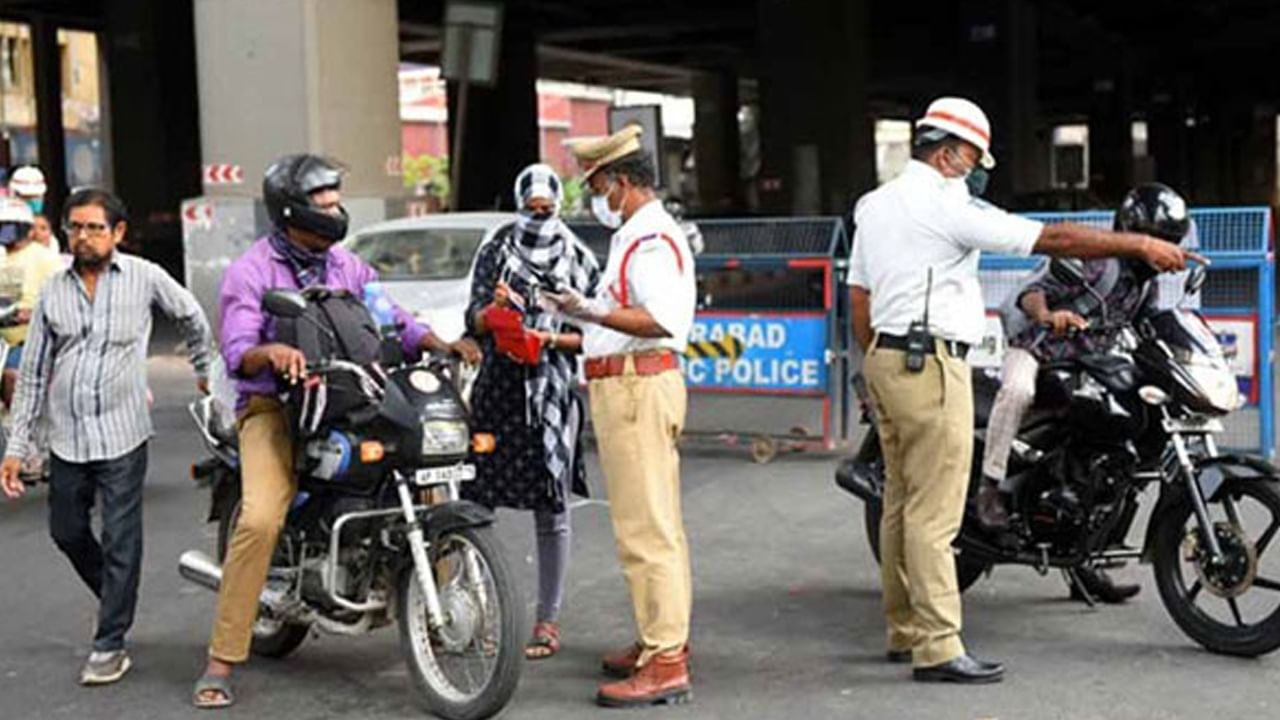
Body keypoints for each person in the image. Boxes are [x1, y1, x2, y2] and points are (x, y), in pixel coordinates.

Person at [848, 97, 1197, 684]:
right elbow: (1051, 240)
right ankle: (937, 647)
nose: (977, 168)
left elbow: (859, 295)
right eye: (975, 157)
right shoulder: (944, 202)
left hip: (887, 355)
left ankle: (904, 628)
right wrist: (1136, 244)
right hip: (931, 364)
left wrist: (877, 361)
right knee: (935, 515)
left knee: (903, 506)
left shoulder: (875, 205)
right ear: (950, 150)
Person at [193, 154, 480, 709]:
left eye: (335, 202)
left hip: (349, 400)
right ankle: (222, 658)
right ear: (290, 210)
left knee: (426, 478)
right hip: (274, 410)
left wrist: (438, 343)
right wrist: (270, 352)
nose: (335, 211)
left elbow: (391, 316)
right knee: (259, 517)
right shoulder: (252, 271)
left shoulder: (347, 268)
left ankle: (432, 604)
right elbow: (235, 351)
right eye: (322, 204)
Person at [0, 187, 213, 686]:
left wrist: (206, 369)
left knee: (121, 536)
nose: (84, 236)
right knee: (66, 531)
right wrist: (17, 449)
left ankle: (110, 641)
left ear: (117, 233)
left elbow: (192, 317)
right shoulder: (54, 289)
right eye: (76, 227)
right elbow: (31, 375)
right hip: (67, 436)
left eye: (96, 227)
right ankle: (117, 598)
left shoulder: (145, 277)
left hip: (123, 433)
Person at [976, 182, 1192, 602]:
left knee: (1119, 444)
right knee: (1016, 390)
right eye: (1162, 240)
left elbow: (1152, 329)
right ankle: (990, 486)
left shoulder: (1142, 282)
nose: (1166, 250)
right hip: (1040, 351)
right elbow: (1030, 294)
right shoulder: (1097, 263)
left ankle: (1085, 556)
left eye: (1172, 242)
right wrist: (1049, 315)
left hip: (1088, 364)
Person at [542, 125, 696, 708]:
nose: (594, 201)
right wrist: (576, 316)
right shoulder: (639, 232)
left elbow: (657, 317)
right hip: (633, 384)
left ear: (623, 183)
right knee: (658, 526)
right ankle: (660, 638)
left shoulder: (648, 238)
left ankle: (665, 660)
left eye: (598, 188)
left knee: (645, 531)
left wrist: (590, 309)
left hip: (636, 389)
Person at [462, 162, 601, 660]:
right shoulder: (498, 249)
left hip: (552, 395)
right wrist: (495, 312)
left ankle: (548, 619)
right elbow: (472, 317)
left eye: (546, 209)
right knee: (477, 502)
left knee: (553, 509)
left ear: (558, 206)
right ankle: (475, 610)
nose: (538, 217)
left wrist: (548, 338)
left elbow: (594, 335)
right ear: (518, 205)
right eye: (530, 209)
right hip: (498, 390)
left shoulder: (579, 258)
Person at [0, 198, 62, 407]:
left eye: (6, 226)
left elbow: (63, 297)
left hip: (31, 339)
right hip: (3, 336)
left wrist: (31, 312)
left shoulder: (45, 258)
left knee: (11, 376)